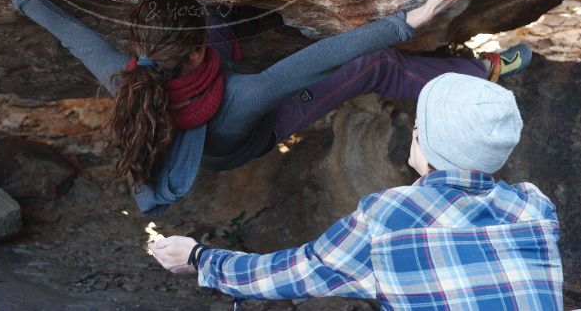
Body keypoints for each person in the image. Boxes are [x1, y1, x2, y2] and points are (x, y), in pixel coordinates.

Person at [0, 0, 529, 215]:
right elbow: (319, 59)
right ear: (194, 53)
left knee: (220, 14)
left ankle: (243, 22)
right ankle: (479, 75)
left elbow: (73, 36)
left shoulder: (129, 77)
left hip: (203, 113)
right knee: (375, 66)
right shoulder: (247, 97)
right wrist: (404, 23)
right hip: (250, 134)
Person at [150, 73, 563, 309]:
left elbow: (292, 274)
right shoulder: (533, 208)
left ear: (422, 138)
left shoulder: (388, 217)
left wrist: (199, 258)